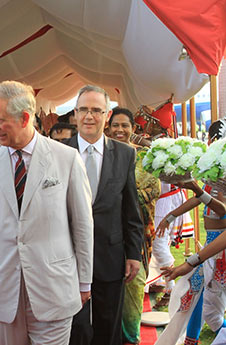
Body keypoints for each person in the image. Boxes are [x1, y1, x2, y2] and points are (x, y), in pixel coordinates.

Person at [0, 81, 94, 344]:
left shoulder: (67, 159)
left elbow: (82, 226)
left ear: (25, 117)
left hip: (54, 289)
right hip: (3, 290)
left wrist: (84, 282)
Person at [66, 85, 143, 345]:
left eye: (96, 110)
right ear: (74, 114)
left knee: (108, 326)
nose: (89, 116)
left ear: (106, 115)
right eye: (83, 110)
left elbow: (131, 210)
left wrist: (134, 254)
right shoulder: (57, 153)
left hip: (110, 256)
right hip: (67, 257)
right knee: (74, 328)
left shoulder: (125, 154)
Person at [156, 119, 226, 344]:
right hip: (213, 243)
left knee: (199, 296)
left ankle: (192, 339)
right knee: (199, 297)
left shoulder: (221, 175)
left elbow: (221, 209)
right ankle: (193, 338)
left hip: (219, 248)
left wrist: (192, 261)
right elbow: (200, 197)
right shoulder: (215, 173)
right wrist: (170, 215)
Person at [107, 106, 161, 344]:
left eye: (124, 125)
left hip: (137, 230)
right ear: (108, 128)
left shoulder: (145, 157)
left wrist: (119, 195)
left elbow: (153, 190)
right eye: (115, 125)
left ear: (133, 128)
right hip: (106, 231)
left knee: (134, 281)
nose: (120, 130)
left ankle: (131, 336)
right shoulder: (103, 155)